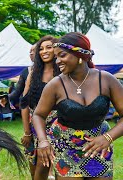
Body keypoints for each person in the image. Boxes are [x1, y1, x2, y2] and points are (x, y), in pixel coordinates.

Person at [32, 32, 123, 179]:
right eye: (56, 57)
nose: (57, 61)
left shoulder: (106, 80)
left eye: (62, 55)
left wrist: (107, 137)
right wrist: (43, 141)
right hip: (65, 144)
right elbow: (38, 115)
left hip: (98, 145)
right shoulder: (55, 85)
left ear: (80, 55)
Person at [21, 36, 60, 180]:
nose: (44, 51)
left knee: (61, 167)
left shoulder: (64, 72)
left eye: (49, 47)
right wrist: (27, 132)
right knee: (38, 169)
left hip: (60, 128)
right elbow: (24, 103)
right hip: (37, 127)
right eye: (41, 49)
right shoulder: (33, 73)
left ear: (56, 49)